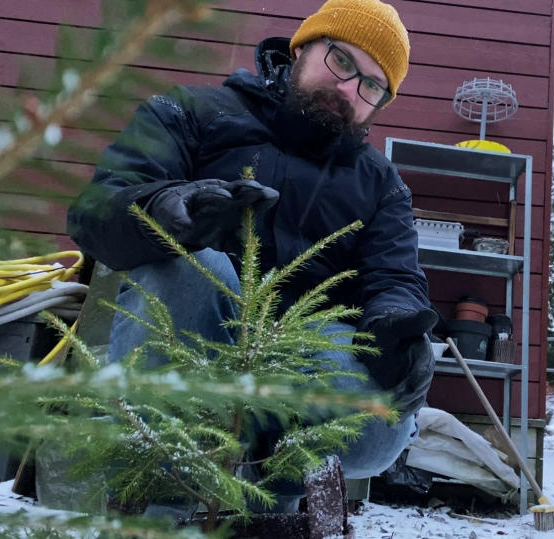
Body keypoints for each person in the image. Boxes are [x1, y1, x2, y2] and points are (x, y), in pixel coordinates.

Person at [66, 0, 436, 512]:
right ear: (301, 47)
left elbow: (395, 274)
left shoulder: (381, 184)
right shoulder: (191, 114)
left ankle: (273, 492)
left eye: (372, 85)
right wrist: (166, 210)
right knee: (196, 267)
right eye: (342, 62)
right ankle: (160, 497)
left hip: (302, 351)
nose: (350, 89)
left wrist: (396, 325)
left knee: (380, 429)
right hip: (191, 332)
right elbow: (95, 212)